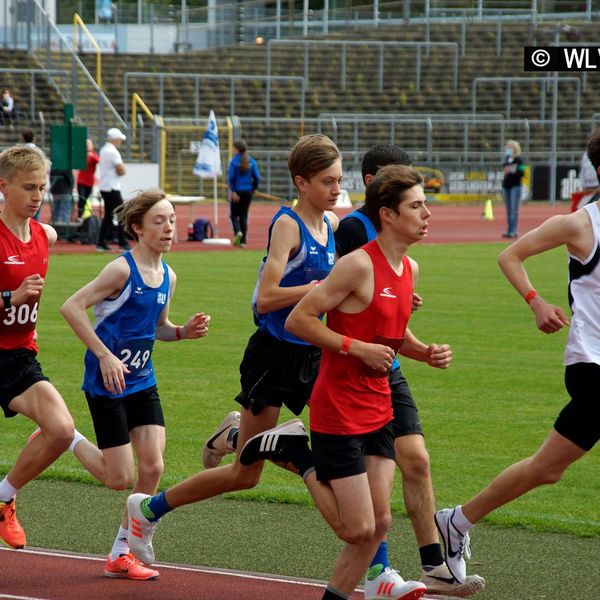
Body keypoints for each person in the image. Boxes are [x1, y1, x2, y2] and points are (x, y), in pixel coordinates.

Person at [124, 134, 341, 566]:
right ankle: (148, 508)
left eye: (338, 180)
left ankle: (235, 434)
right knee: (246, 475)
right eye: (327, 181)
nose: (337, 189)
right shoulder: (287, 225)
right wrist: (319, 290)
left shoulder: (332, 226)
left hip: (314, 353)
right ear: (301, 182)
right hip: (274, 354)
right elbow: (266, 296)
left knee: (341, 449)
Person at [241, 164, 446, 600]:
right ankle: (297, 450)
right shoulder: (356, 265)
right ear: (387, 215)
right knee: (356, 527)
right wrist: (356, 349)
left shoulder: (410, 267)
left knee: (381, 523)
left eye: (425, 204)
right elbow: (299, 319)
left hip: (380, 409)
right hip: (338, 409)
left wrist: (423, 352)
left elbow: (388, 335)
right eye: (417, 205)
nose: (427, 213)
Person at [434, 128, 600, 587]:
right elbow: (511, 255)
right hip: (592, 363)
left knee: (547, 469)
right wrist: (536, 302)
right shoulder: (582, 224)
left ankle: (458, 520)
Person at [333, 144, 485, 597]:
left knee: (415, 459)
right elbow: (341, 296)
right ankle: (379, 570)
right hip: (349, 365)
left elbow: (390, 309)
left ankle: (433, 565)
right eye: (411, 197)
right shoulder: (352, 231)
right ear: (375, 187)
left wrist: (421, 348)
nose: (423, 210)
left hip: (386, 362)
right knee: (363, 483)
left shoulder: (408, 258)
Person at [60, 189, 211, 580]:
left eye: (172, 220)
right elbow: (72, 307)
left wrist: (182, 332)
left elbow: (158, 328)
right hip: (107, 381)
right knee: (119, 478)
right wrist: (105, 355)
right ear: (137, 228)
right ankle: (67, 438)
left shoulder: (169, 276)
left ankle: (121, 553)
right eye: (159, 221)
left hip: (142, 380)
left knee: (154, 465)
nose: (169, 228)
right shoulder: (120, 270)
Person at [0, 146, 75, 550]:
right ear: (3, 186)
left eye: (42, 188)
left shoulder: (46, 235)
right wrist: (9, 297)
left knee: (61, 431)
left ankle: (3, 497)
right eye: (28, 188)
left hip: (18, 356)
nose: (37, 196)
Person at [97, 127, 130, 252]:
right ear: (115, 139)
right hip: (112, 187)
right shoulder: (113, 151)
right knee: (122, 214)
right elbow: (121, 169)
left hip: (105, 186)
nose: (120, 142)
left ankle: (101, 242)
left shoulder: (104, 150)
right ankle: (123, 242)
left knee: (108, 215)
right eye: (119, 139)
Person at [228, 139, 260, 247]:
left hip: (237, 191)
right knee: (243, 215)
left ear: (237, 149)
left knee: (233, 215)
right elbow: (257, 177)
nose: (232, 150)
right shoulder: (251, 161)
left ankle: (238, 232)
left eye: (233, 148)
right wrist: (254, 188)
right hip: (248, 192)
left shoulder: (234, 161)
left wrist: (232, 191)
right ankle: (243, 242)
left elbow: (231, 177)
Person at [501, 139, 525, 239]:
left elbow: (522, 172)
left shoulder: (519, 160)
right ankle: (509, 229)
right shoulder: (507, 159)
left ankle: (513, 230)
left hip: (515, 186)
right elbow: (504, 169)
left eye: (509, 147)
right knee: (508, 210)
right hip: (507, 186)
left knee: (514, 209)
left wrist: (512, 171)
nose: (507, 149)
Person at [76, 138, 99, 219]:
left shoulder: (94, 154)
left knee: (86, 199)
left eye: (89, 144)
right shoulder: (82, 154)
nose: (87, 146)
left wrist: (91, 156)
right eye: (86, 145)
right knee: (82, 198)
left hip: (89, 182)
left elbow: (98, 161)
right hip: (81, 181)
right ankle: (79, 216)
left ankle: (86, 217)